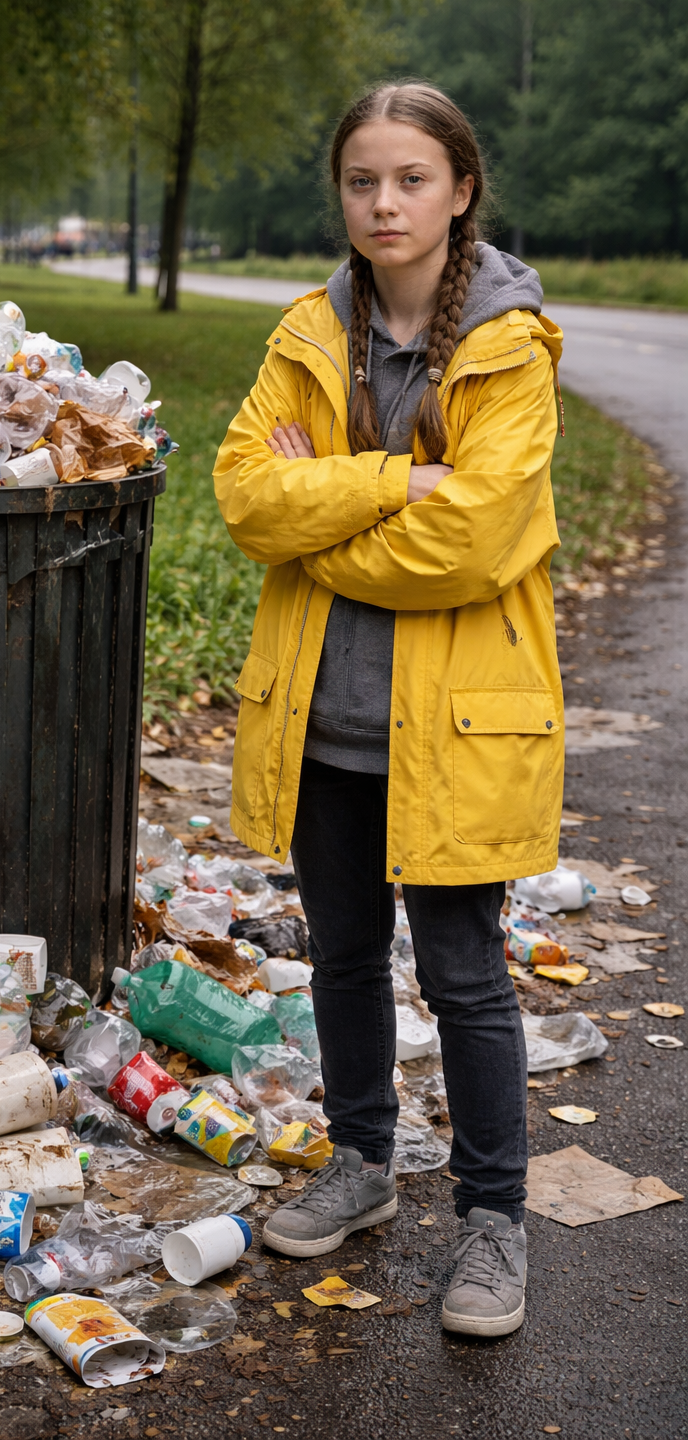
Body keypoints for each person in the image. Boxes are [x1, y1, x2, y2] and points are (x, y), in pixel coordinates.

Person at [213, 82, 565, 1339]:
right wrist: (392, 480)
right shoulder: (309, 331)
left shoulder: (508, 347)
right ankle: (362, 1164)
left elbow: (472, 545)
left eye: (411, 178)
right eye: (362, 180)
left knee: (467, 977)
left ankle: (492, 1223)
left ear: (460, 189)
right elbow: (250, 495)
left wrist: (327, 523)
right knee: (346, 955)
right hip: (324, 718)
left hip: (460, 721)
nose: (384, 202)